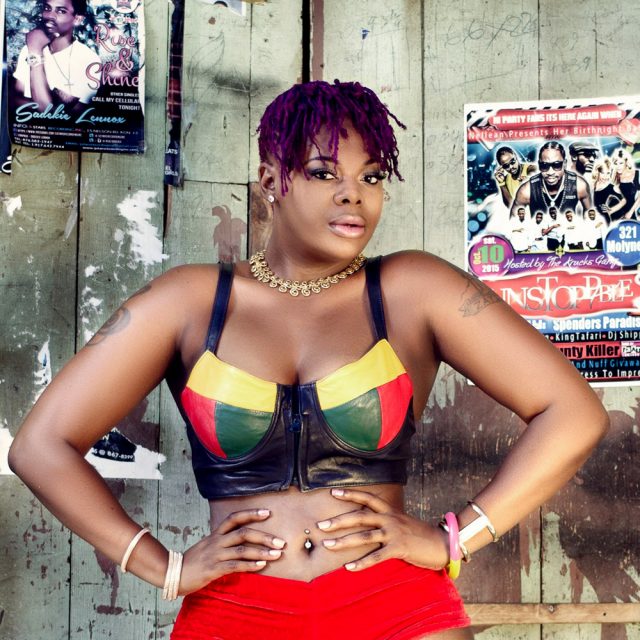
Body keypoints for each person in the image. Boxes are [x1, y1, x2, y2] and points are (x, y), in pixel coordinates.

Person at [8, 80, 609, 640]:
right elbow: (40, 446)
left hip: (397, 608)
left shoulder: (415, 289)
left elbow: (574, 413)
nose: (353, 193)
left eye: (372, 176)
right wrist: (164, 567)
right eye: (324, 172)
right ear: (271, 180)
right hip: (233, 611)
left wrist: (457, 539)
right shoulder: (188, 302)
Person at [12, 0, 100, 114]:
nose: (50, 16)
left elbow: (62, 114)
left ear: (77, 19)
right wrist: (34, 50)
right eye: (47, 8)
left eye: (61, 11)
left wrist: (36, 51)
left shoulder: (89, 59)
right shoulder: (29, 49)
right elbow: (16, 100)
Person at [511, 141, 592, 218]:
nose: (550, 172)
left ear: (564, 164)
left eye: (556, 165)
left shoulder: (580, 185)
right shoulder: (526, 190)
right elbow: (513, 222)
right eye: (544, 165)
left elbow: (590, 216)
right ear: (539, 165)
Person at [606, 148, 640, 222]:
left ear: (626, 162)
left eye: (621, 163)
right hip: (617, 214)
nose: (618, 166)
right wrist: (608, 210)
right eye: (616, 163)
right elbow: (610, 195)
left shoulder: (637, 174)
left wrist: (630, 212)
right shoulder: (613, 177)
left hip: (632, 213)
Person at [591, 157, 620, 223]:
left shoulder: (612, 187)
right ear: (597, 171)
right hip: (594, 222)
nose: (605, 177)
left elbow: (625, 201)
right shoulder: (593, 185)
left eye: (608, 173)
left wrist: (612, 210)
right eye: (602, 173)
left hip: (606, 223)